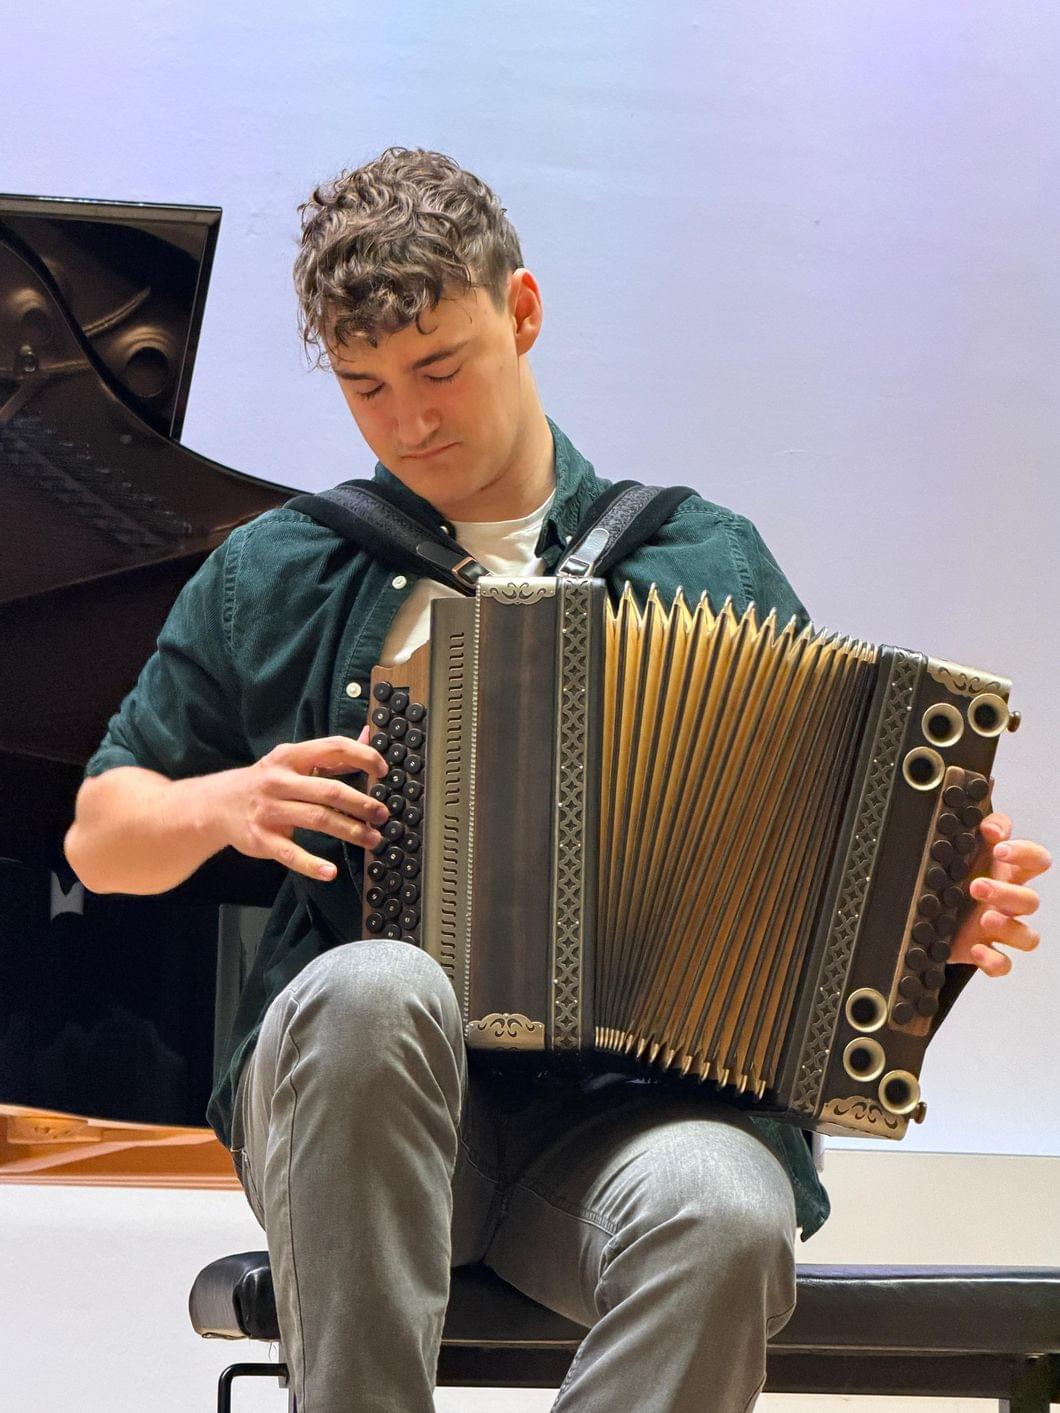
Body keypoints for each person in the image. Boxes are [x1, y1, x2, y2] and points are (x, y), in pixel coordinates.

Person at [64, 147, 1050, 1412]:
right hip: (365, 1123)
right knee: (372, 987)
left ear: (521, 313)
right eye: (364, 388)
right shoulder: (279, 573)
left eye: (440, 368)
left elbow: (812, 884)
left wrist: (928, 931)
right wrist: (219, 803)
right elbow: (103, 833)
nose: (408, 422)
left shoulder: (703, 557)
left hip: (619, 1130)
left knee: (728, 1208)